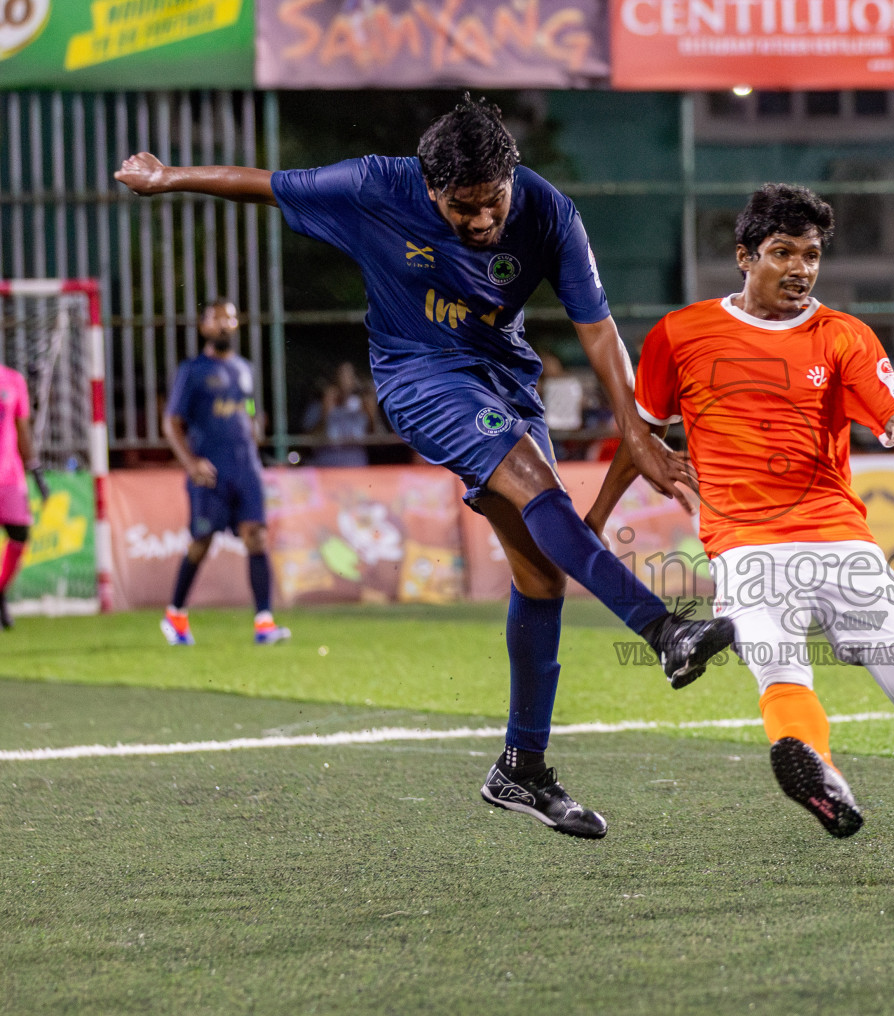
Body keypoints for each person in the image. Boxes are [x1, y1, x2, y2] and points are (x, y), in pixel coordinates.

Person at [117, 94, 733, 840]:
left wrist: (633, 432)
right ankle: (663, 629)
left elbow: (599, 333)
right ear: (429, 186)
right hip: (418, 376)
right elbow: (264, 182)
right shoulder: (375, 185)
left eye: (492, 202)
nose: (481, 222)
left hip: (505, 378)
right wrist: (168, 175)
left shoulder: (548, 212)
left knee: (540, 577)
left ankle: (522, 770)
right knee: (540, 489)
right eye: (463, 208)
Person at [586, 184, 894, 884]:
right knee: (780, 673)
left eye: (813, 255)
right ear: (744, 257)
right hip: (744, 551)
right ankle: (822, 776)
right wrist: (596, 514)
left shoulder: (844, 335)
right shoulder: (679, 334)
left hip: (839, 546)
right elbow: (640, 435)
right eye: (783, 253)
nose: (800, 268)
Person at [160, 299, 292, 647]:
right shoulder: (193, 371)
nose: (225, 325)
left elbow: (247, 404)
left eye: (230, 318)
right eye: (217, 319)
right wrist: (190, 464)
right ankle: (174, 614)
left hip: (245, 466)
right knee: (202, 542)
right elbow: (171, 423)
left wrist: (252, 424)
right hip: (211, 470)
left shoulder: (244, 369)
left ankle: (264, 622)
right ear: (204, 327)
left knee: (257, 536)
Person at [0, 359, 46, 630]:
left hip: (9, 475)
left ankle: (0, 591)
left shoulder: (13, 380)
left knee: (20, 535)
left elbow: (22, 428)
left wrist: (36, 472)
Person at [303, 361, 378, 467]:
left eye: (349, 376)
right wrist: (325, 413)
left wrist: (371, 415)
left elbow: (377, 439)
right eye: (342, 376)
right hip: (326, 465)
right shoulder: (318, 405)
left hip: (356, 466)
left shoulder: (362, 405)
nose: (345, 382)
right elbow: (306, 441)